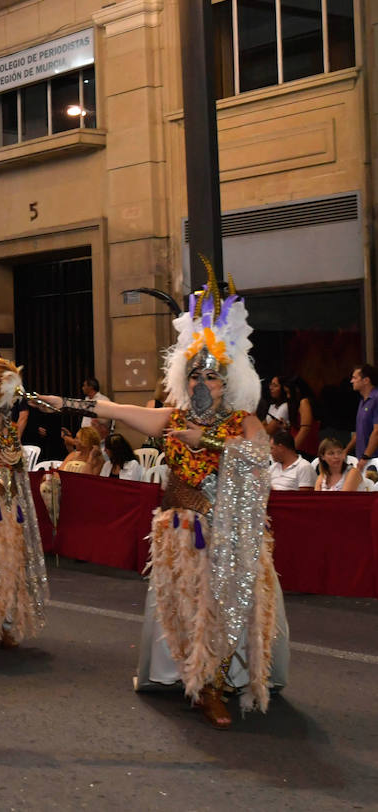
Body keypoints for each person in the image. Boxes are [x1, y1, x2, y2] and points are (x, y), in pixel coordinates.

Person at [37, 277, 288, 729]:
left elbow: (260, 457)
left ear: (226, 381)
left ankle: (223, 677)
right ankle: (202, 686)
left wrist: (207, 438)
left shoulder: (243, 421)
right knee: (192, 610)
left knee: (229, 606)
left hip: (232, 535)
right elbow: (112, 410)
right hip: (183, 536)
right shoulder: (170, 419)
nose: (201, 381)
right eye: (195, 373)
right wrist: (65, 402)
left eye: (211, 375)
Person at [346, 364, 378, 487]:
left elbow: (377, 431)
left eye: (354, 377)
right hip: (363, 459)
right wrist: (346, 451)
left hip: (373, 459)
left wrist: (365, 456)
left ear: (366, 380)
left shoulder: (376, 398)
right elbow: (359, 432)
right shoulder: (362, 401)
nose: (351, 381)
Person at [61, 377, 110, 452]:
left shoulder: (103, 400)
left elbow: (106, 421)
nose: (82, 388)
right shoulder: (86, 400)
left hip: (97, 438)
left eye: (84, 386)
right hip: (85, 437)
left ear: (90, 387)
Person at [286, 377, 318, 458]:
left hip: (304, 447)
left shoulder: (304, 402)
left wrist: (291, 450)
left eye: (289, 392)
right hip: (299, 445)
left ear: (297, 390)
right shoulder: (297, 403)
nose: (288, 396)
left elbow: (305, 429)